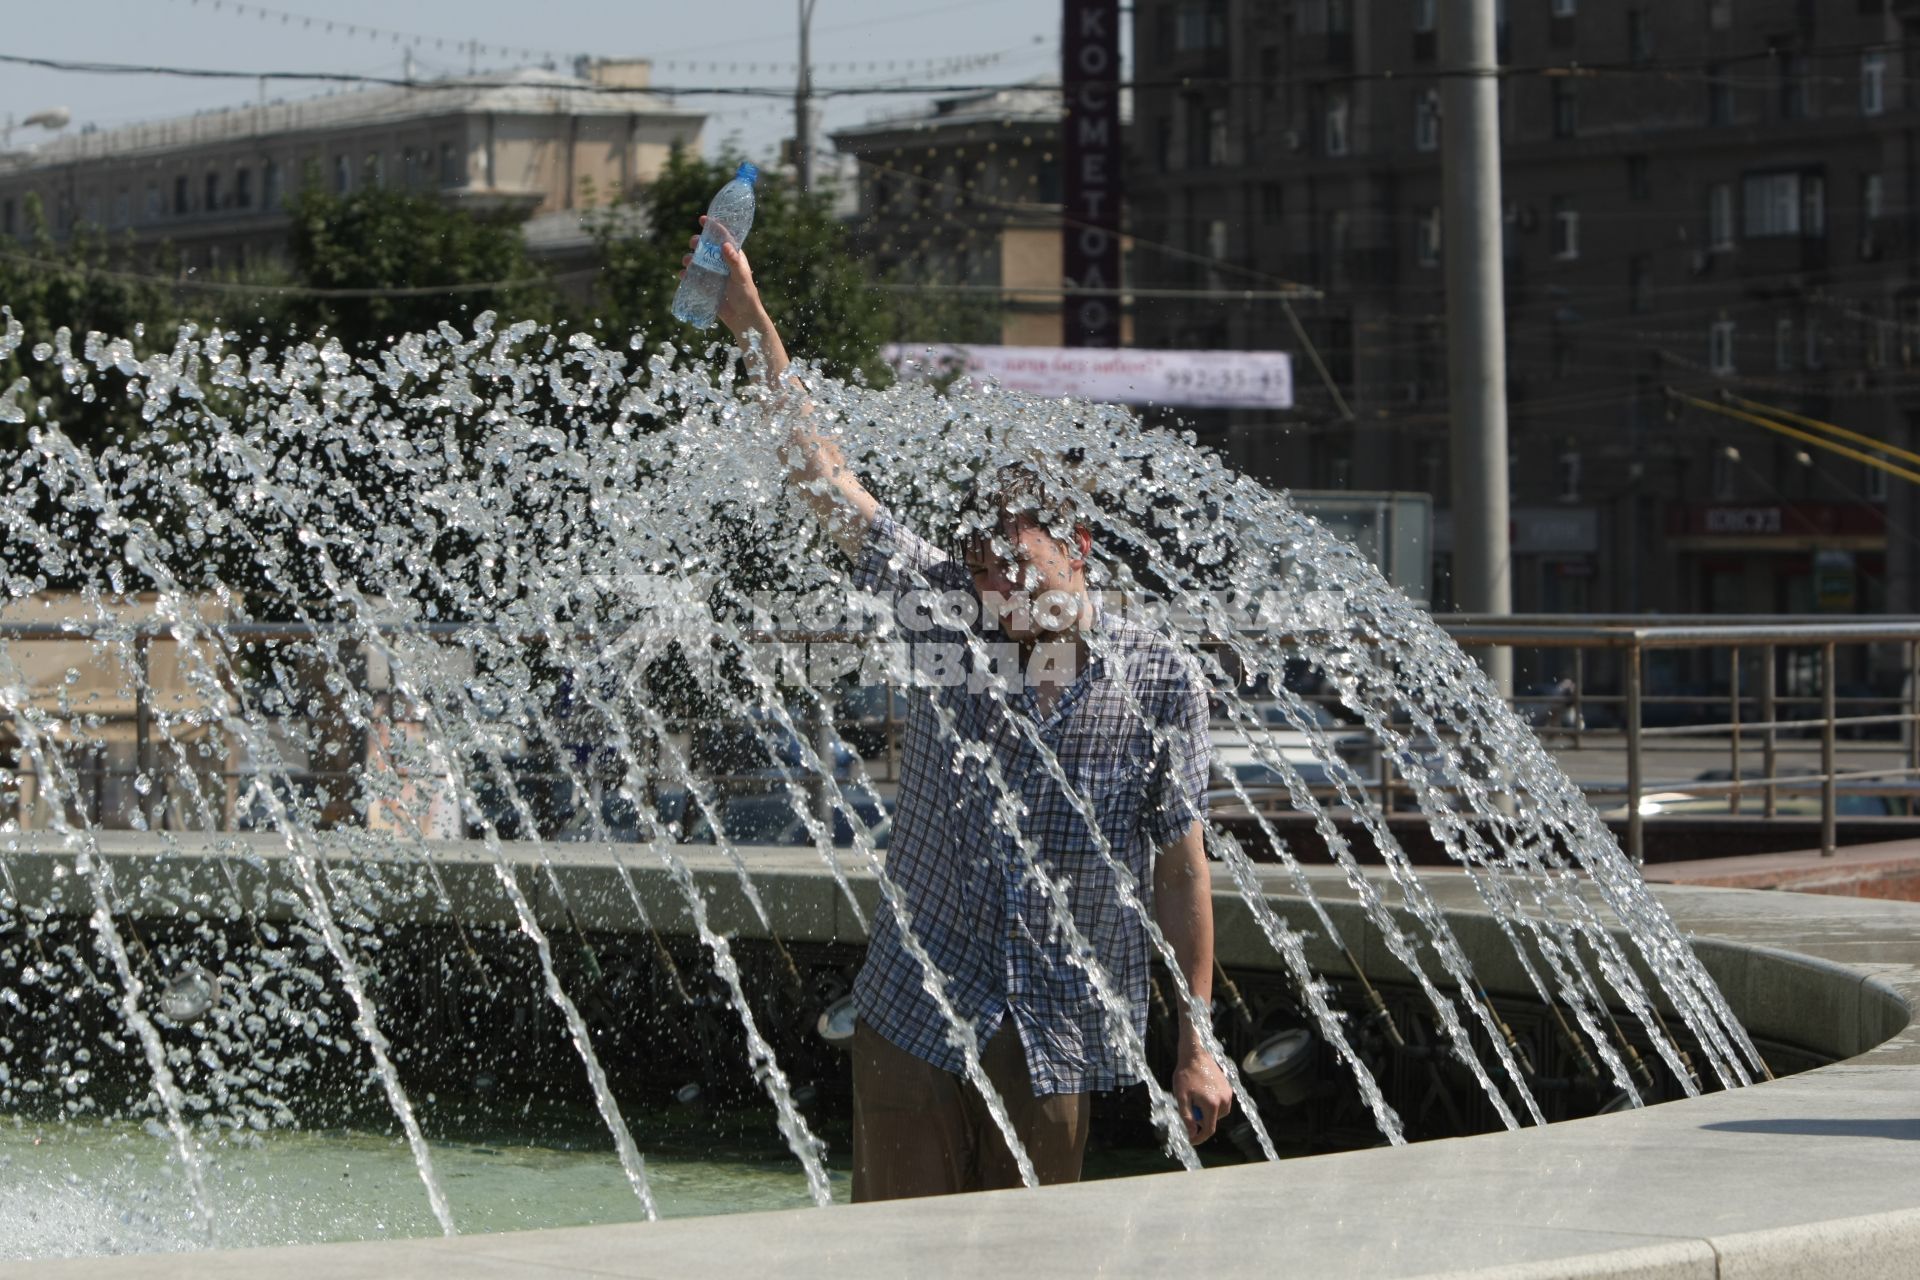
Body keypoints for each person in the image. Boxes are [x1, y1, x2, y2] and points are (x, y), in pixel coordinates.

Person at [681, 227, 1232, 1201]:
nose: (990, 595)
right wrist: (753, 324)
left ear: (1080, 547)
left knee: (1028, 1257)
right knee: (892, 1254)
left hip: (1055, 1027)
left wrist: (1200, 1044)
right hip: (917, 1013)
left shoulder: (1156, 680)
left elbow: (1182, 873)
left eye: (1010, 570)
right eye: (977, 572)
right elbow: (823, 476)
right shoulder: (942, 619)